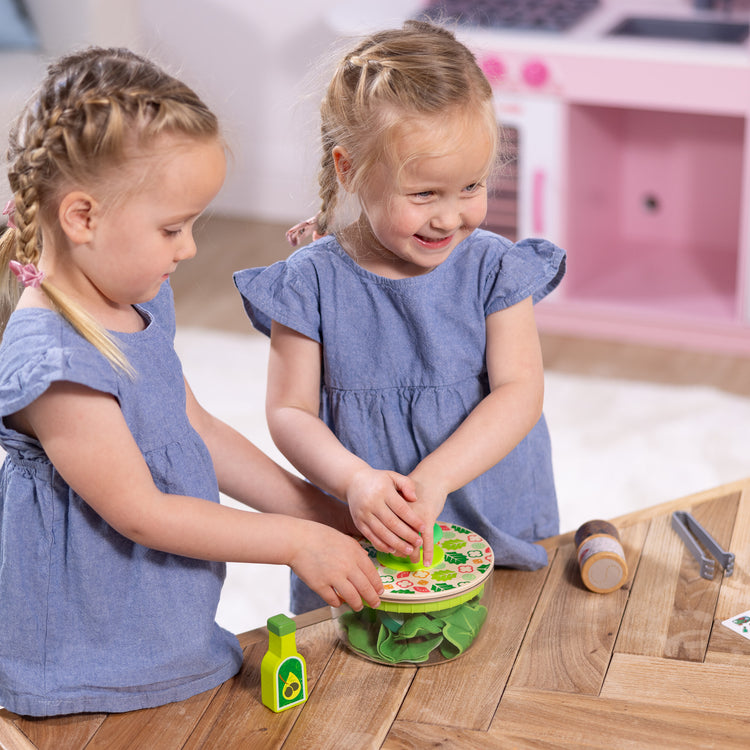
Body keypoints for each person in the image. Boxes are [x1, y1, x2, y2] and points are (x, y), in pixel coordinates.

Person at [0, 47, 383, 718]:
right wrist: (294, 544)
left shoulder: (136, 295)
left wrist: (317, 512)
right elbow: (141, 512)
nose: (189, 249)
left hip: (157, 626)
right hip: (79, 663)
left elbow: (194, 430)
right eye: (172, 228)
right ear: (82, 218)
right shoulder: (54, 363)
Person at [234, 20, 567, 615]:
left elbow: (520, 390)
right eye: (423, 195)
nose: (448, 218)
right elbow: (289, 411)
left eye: (470, 186)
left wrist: (436, 478)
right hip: (368, 526)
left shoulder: (493, 266)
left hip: (490, 501)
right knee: (360, 653)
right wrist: (355, 481)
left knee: (515, 635)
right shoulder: (309, 282)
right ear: (348, 169)